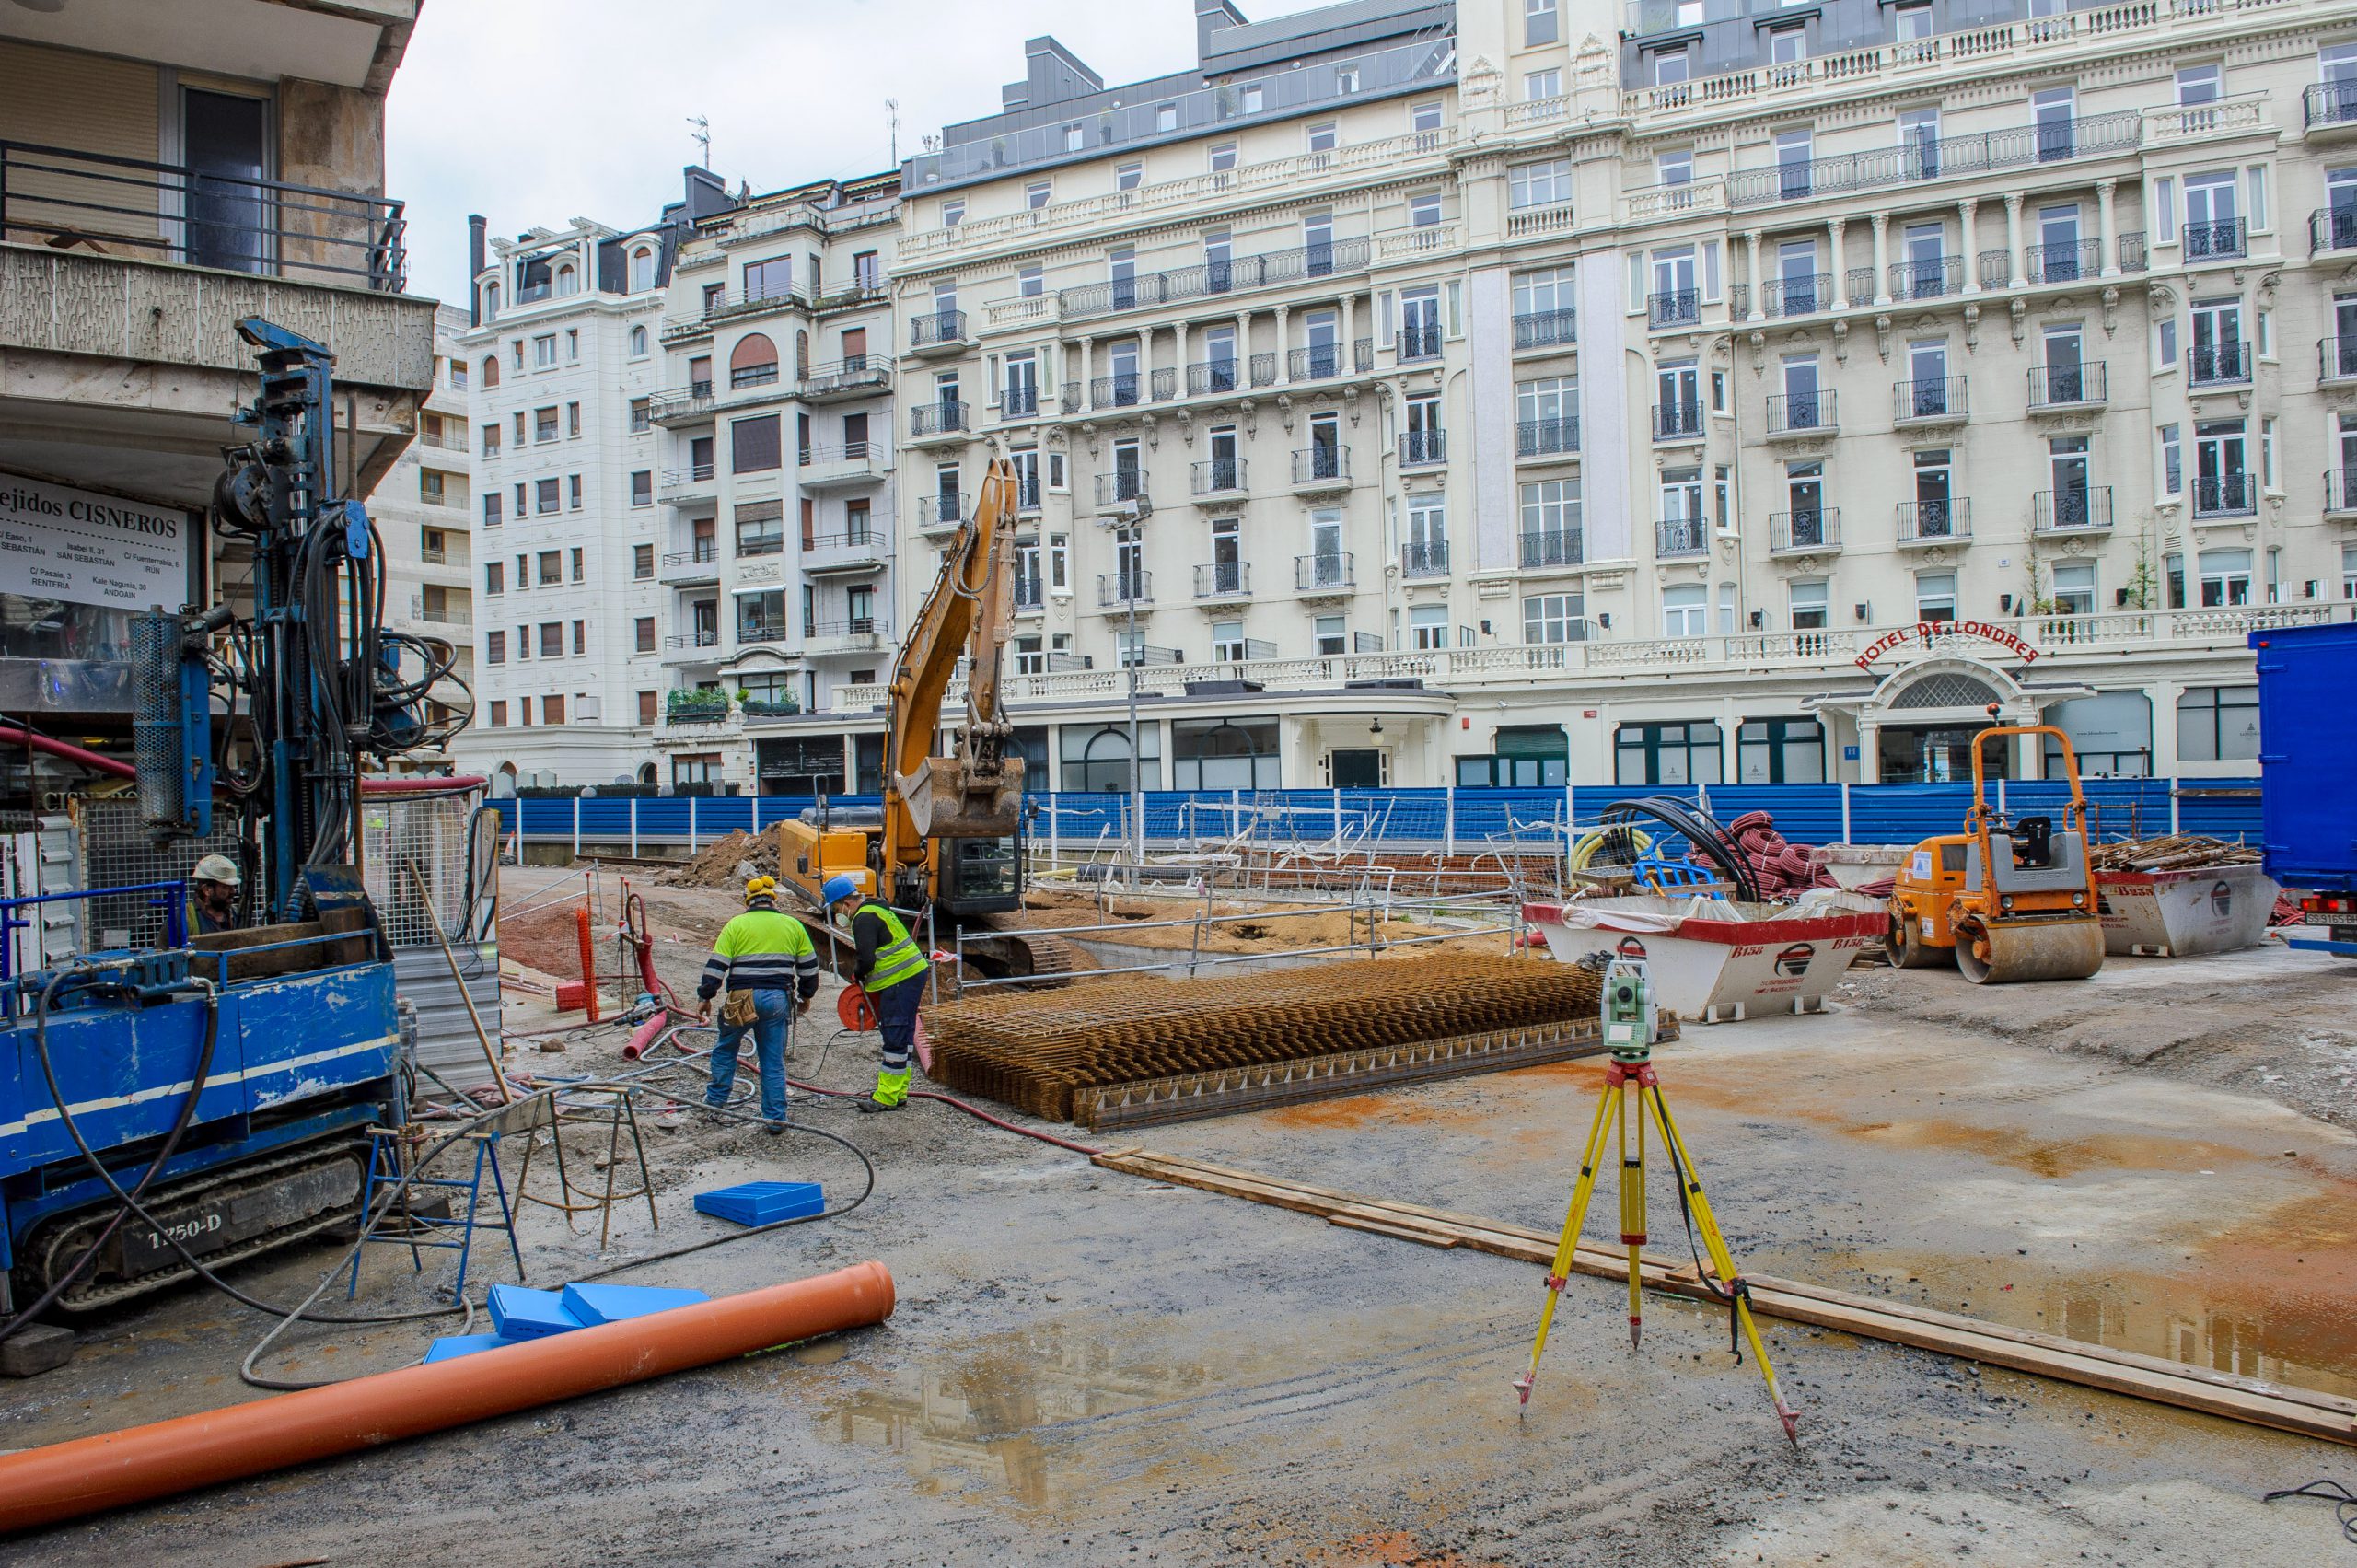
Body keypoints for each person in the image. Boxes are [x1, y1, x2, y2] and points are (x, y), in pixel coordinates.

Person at [693, 876, 819, 1133]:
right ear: (774, 900)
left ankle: (716, 1104)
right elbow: (809, 968)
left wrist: (705, 996)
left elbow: (717, 966)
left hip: (741, 997)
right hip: (776, 998)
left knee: (726, 1049)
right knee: (772, 1060)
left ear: (748, 901)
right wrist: (806, 996)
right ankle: (775, 1119)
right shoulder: (792, 925)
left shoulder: (736, 925)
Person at [822, 874, 930, 1113]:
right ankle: (898, 1091)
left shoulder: (863, 918)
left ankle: (887, 1096)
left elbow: (866, 958)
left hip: (900, 980)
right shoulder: (877, 910)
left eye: (836, 908)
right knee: (903, 1033)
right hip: (912, 975)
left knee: (894, 1031)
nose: (837, 914)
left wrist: (857, 974)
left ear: (846, 903)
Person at [189, 854, 242, 935]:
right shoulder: (184, 920)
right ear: (207, 890)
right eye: (225, 887)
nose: (233, 891)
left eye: (233, 886)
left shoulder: (236, 915)